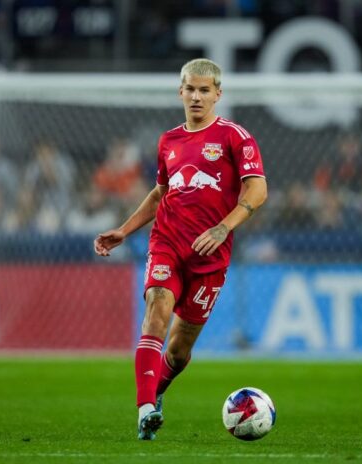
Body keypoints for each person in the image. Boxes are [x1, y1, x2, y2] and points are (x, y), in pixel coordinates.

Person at [93, 58, 268, 441]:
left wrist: (224, 227)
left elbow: (258, 189)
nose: (196, 97)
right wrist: (124, 229)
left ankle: (156, 391)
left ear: (218, 94)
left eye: (204, 90)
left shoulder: (235, 137)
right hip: (167, 244)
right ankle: (144, 410)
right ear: (180, 92)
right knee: (156, 310)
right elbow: (160, 193)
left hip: (210, 258)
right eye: (190, 89)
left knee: (178, 350)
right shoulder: (168, 141)